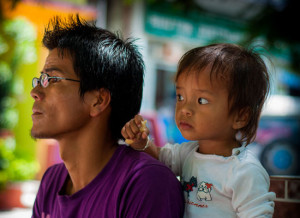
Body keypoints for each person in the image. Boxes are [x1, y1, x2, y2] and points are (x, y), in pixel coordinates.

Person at [31, 15, 184, 218]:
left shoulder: (146, 183)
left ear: (98, 101)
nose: (35, 92)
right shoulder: (52, 180)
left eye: (53, 79)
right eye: (41, 79)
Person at [122, 43, 276, 217]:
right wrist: (141, 142)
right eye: (180, 97)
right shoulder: (188, 153)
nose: (185, 109)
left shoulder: (245, 172)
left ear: (241, 116)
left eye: (201, 100)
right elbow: (158, 156)